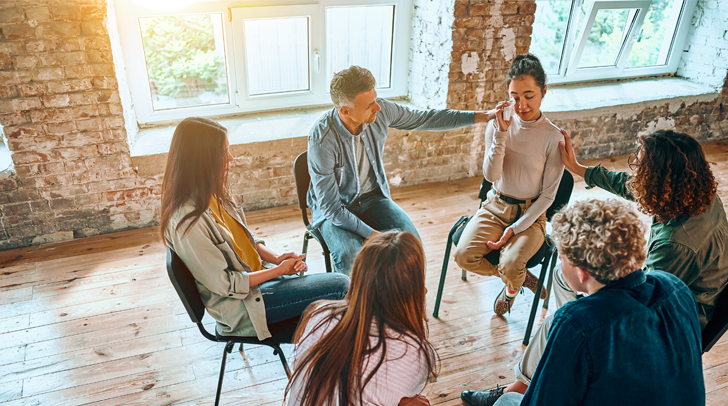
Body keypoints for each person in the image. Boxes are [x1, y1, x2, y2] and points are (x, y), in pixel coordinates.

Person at [461, 128, 728, 406]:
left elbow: (643, 307)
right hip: (664, 295)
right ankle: (570, 351)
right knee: (562, 280)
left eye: (640, 167)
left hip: (669, 323)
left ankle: (519, 389)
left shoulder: (676, 244)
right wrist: (580, 169)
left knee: (561, 321)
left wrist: (589, 314)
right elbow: (631, 185)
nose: (635, 173)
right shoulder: (690, 194)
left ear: (661, 180)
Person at [487, 199, 705, 406]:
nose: (560, 261)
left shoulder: (577, 323)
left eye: (561, 256)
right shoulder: (675, 288)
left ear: (582, 272)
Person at [161, 117, 350, 340]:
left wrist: (277, 258)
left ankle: (338, 351)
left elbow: (244, 238)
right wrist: (279, 271)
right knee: (340, 286)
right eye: (223, 153)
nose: (230, 159)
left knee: (338, 306)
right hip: (246, 305)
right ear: (201, 160)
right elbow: (226, 284)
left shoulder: (210, 192)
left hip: (260, 281)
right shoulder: (186, 221)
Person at [276, 231, 438, 406]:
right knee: (411, 403)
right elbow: (394, 388)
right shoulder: (414, 351)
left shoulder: (320, 314)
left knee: (390, 397)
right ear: (415, 289)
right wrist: (403, 400)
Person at [308, 65, 499, 274]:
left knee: (411, 244)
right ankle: (352, 306)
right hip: (335, 209)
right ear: (345, 111)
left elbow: (427, 118)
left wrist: (483, 116)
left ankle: (403, 298)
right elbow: (332, 209)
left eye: (376, 99)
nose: (378, 108)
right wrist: (373, 235)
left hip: (372, 198)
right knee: (351, 257)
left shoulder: (380, 111)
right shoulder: (322, 139)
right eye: (370, 105)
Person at [453, 53, 564, 316]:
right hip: (495, 207)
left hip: (530, 215)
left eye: (529, 95)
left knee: (512, 261)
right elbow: (491, 176)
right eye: (514, 96)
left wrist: (514, 230)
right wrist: (501, 133)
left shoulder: (553, 137)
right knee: (463, 257)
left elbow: (548, 197)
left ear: (543, 91)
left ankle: (511, 288)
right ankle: (517, 278)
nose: (521, 104)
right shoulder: (498, 122)